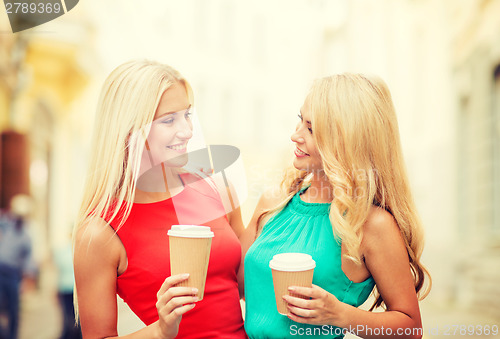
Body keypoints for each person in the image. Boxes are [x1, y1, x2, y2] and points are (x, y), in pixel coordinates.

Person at [242, 73, 431, 339]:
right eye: (300, 120)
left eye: (311, 129)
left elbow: (410, 328)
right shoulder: (274, 202)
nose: (296, 136)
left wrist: (339, 314)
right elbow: (238, 286)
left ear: (346, 142)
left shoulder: (371, 224)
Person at [73, 60, 246, 339]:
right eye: (169, 120)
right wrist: (161, 331)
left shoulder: (218, 190)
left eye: (187, 115)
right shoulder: (99, 232)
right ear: (130, 132)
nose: (188, 131)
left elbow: (245, 287)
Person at [0, 195, 36, 339]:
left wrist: (28, 280)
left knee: (14, 310)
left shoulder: (26, 235)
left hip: (13, 274)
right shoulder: (5, 224)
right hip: (0, 270)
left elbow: (29, 259)